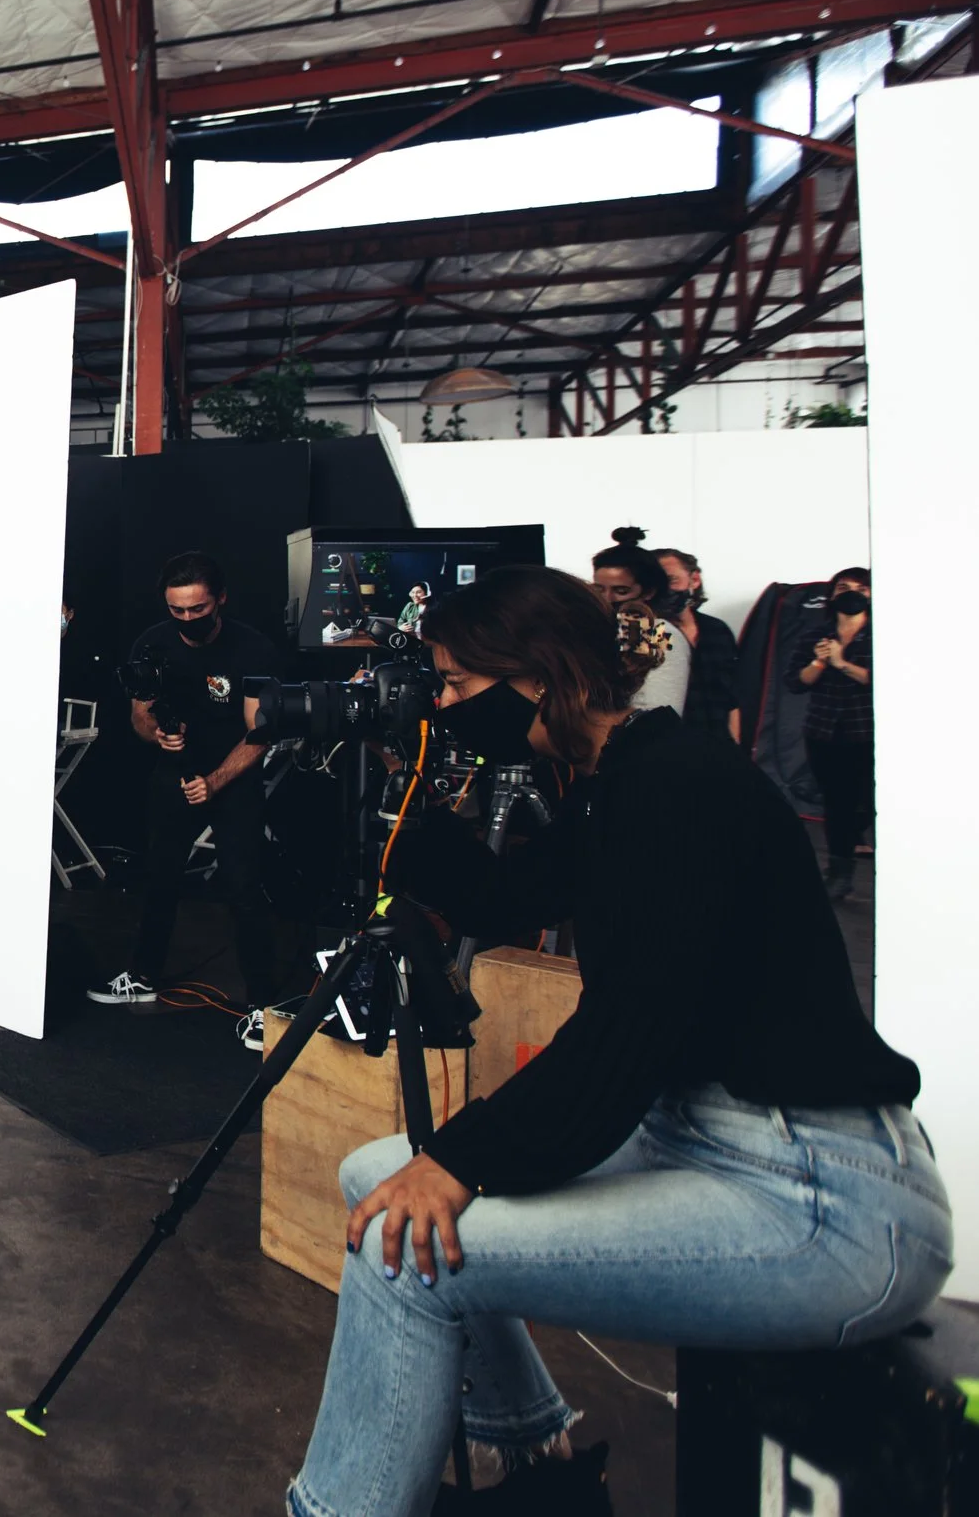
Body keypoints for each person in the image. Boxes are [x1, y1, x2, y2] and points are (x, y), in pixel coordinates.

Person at [287, 566, 943, 1517]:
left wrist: (461, 1160)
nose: (454, 709)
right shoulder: (622, 780)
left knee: (397, 1242)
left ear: (543, 677)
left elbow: (626, 1036)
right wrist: (399, 811)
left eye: (466, 690)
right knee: (373, 1173)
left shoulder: (677, 791)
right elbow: (510, 898)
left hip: (824, 1194)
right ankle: (531, 1449)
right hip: (710, 1138)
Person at [91, 551, 285, 1010]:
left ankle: (263, 1005)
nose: (186, 618)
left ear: (220, 600)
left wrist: (215, 782)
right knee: (159, 878)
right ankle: (142, 976)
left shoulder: (251, 649)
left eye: (196, 609)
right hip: (173, 776)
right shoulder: (152, 644)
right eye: (177, 610)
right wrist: (158, 736)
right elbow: (139, 716)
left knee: (243, 887)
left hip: (233, 776)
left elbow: (260, 731)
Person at [786, 567, 874, 901]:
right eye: (843, 587)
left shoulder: (886, 635)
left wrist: (841, 663)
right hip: (824, 732)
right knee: (836, 803)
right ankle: (839, 873)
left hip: (868, 733)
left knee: (867, 801)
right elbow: (795, 682)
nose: (851, 593)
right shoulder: (814, 635)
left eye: (861, 588)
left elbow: (885, 683)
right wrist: (820, 663)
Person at [589, 526, 689, 715]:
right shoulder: (598, 628)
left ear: (649, 592)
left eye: (621, 591)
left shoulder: (656, 631)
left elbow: (659, 711)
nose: (607, 598)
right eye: (599, 589)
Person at [654, 546, 742, 743]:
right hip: (671, 746)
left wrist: (736, 746)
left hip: (717, 745)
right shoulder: (650, 633)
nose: (664, 590)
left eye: (671, 580)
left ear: (694, 579)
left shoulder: (717, 630)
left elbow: (731, 696)